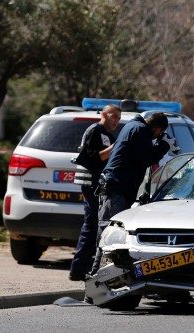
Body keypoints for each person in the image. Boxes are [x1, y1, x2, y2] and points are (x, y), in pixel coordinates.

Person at [90, 112, 171, 275]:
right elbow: (147, 158)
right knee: (110, 230)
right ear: (157, 129)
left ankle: (101, 272)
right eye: (160, 133)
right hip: (117, 187)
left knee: (109, 228)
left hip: (116, 185)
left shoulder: (133, 126)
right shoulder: (140, 130)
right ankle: (97, 274)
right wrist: (164, 146)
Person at [69, 105, 121, 281]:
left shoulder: (107, 135)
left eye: (119, 118)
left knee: (93, 225)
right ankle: (78, 270)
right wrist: (115, 147)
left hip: (97, 185)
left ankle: (83, 268)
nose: (116, 121)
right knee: (91, 225)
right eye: (114, 116)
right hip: (90, 184)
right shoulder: (95, 131)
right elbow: (91, 157)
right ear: (104, 115)